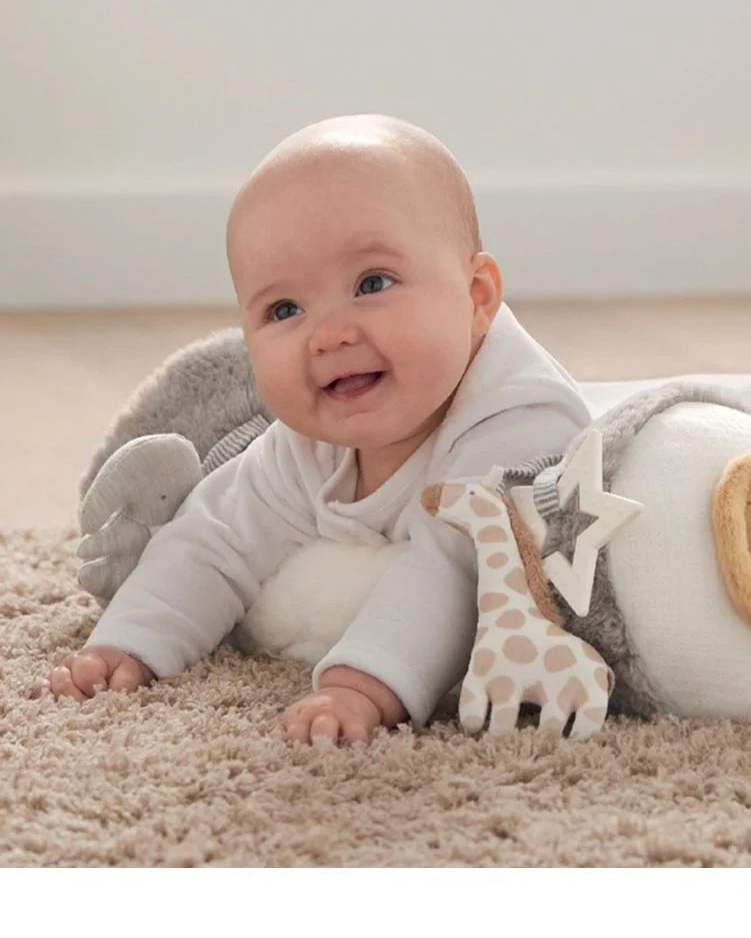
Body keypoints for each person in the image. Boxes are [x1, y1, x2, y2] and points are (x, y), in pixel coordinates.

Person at [32, 114, 593, 743]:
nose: (330, 334)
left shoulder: (518, 422)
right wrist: (126, 645)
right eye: (285, 309)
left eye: (372, 283)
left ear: (476, 296)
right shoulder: (310, 439)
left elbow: (458, 565)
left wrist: (359, 685)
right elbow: (213, 539)